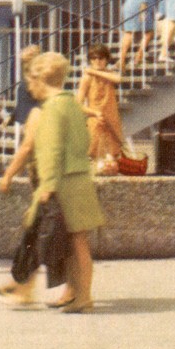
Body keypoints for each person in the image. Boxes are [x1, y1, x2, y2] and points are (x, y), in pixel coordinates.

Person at [0, 53, 70, 309]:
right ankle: (23, 286)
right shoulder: (56, 106)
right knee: (35, 233)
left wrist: (7, 174)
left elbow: (27, 148)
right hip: (46, 181)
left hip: (47, 182)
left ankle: (68, 289)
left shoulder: (41, 112)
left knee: (43, 236)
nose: (27, 87)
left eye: (30, 81)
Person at [31, 52, 105, 313]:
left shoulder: (52, 109)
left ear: (41, 79)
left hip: (63, 183)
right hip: (80, 179)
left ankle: (82, 297)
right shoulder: (73, 104)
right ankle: (80, 294)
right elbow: (84, 140)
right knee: (79, 244)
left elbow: (50, 151)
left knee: (73, 245)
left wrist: (47, 185)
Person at [77, 43, 123, 171]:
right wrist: (94, 113)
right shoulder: (86, 78)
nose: (97, 61)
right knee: (98, 163)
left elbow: (118, 79)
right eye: (94, 58)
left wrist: (94, 71)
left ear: (107, 60)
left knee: (112, 163)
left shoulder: (108, 74)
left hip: (112, 120)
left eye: (101, 58)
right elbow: (78, 104)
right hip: (96, 121)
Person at [11, 44, 42, 129]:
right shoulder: (27, 76)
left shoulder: (35, 77)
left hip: (31, 121)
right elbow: (23, 101)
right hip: (24, 121)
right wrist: (12, 116)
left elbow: (38, 100)